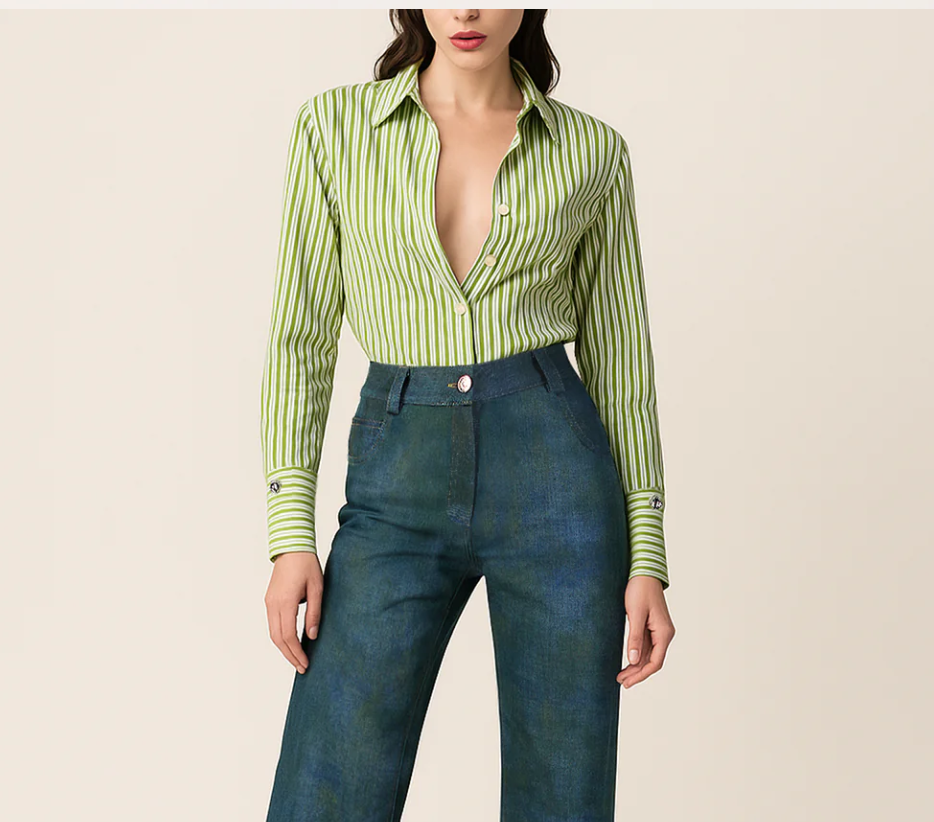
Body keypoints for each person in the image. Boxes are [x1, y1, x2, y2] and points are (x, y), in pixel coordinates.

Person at [259, 9, 676, 821]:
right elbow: (298, 340)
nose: (468, 10)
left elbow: (623, 363)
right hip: (396, 475)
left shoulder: (592, 151)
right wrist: (289, 531)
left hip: (557, 480)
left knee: (563, 794)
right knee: (329, 782)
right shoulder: (333, 129)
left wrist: (647, 552)